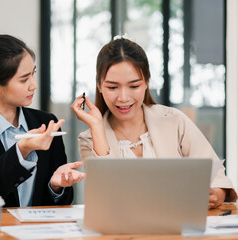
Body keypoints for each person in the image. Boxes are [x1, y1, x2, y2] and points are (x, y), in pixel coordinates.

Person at [71, 35, 237, 209]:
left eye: (134, 86)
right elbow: (106, 199)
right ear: (99, 85)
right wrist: (97, 128)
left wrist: (217, 193)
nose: (123, 97)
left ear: (146, 83)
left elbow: (215, 173)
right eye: (112, 87)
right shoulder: (90, 139)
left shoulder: (173, 120)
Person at [0, 34, 85, 207]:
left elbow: (60, 202)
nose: (34, 85)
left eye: (33, 73)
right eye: (24, 79)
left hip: (38, 232)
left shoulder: (46, 122)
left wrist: (55, 186)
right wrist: (22, 150)